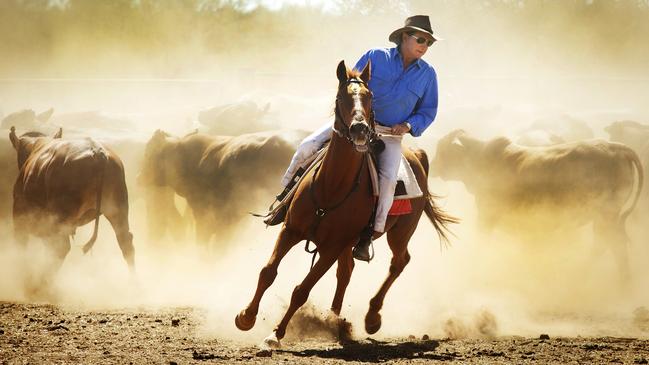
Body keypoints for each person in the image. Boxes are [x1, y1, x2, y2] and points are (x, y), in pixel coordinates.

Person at [273, 15, 440, 262]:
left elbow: (428, 110)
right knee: (306, 146)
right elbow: (351, 84)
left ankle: (369, 234)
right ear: (405, 37)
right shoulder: (376, 55)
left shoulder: (428, 74)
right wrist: (353, 116)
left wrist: (407, 125)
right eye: (421, 39)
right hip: (353, 123)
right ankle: (283, 204)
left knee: (388, 182)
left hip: (389, 134)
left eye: (429, 42)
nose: (425, 46)